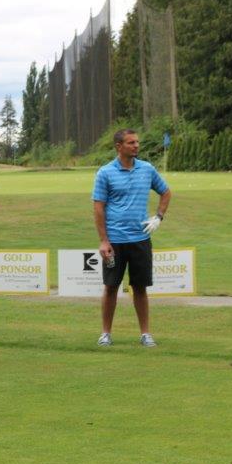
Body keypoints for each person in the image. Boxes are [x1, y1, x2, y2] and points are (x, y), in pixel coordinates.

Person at [92, 129, 173, 347]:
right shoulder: (105, 173)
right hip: (115, 241)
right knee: (111, 287)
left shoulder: (147, 169)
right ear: (119, 146)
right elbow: (98, 208)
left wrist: (159, 217)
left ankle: (145, 334)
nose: (136, 146)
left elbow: (165, 192)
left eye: (137, 142)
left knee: (140, 287)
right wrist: (103, 240)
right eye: (131, 142)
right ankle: (105, 333)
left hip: (140, 239)